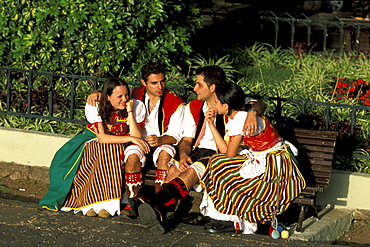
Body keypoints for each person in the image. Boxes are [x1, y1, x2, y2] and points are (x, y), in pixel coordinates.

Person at [136, 65, 267, 234]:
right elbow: (187, 140)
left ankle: (153, 202)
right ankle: (159, 212)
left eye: (199, 84)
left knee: (192, 172)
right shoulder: (194, 106)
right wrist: (183, 154)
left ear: (212, 88)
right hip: (199, 150)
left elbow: (260, 104)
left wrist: (252, 113)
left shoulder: (230, 102)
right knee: (174, 170)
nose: (194, 88)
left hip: (222, 155)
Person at [200, 82, 306, 234]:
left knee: (220, 165)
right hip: (268, 157)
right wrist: (211, 123)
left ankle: (236, 220)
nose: (213, 104)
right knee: (218, 163)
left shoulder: (239, 121)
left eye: (216, 102)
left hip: (273, 165)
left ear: (226, 106)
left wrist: (212, 124)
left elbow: (228, 153)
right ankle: (226, 216)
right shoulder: (242, 110)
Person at [39, 77, 150, 218]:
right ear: (108, 97)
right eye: (119, 96)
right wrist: (130, 138)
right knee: (102, 150)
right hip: (96, 139)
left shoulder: (136, 106)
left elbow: (136, 135)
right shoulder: (96, 105)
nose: (125, 99)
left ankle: (108, 205)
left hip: (119, 143)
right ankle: (90, 203)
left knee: (113, 150)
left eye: (126, 95)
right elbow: (102, 138)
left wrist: (130, 112)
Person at [87, 62, 185, 201]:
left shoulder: (175, 103)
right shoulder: (135, 93)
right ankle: (134, 200)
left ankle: (160, 201)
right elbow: (114, 94)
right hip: (137, 140)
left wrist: (159, 140)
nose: (160, 87)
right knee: (132, 156)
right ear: (143, 82)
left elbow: (175, 136)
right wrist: (96, 93)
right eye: (154, 83)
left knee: (164, 154)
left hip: (162, 142)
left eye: (162, 81)